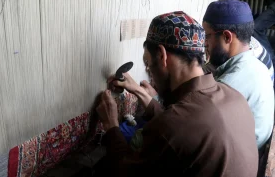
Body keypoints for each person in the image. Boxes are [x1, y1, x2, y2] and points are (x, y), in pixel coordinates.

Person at [96, 11, 258, 177]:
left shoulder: (173, 127)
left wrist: (111, 125)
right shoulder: (235, 97)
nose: (149, 71)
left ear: (162, 56)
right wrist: (139, 91)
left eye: (148, 63)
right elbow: (186, 123)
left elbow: (123, 172)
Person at [202, 0, 274, 150]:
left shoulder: (231, 84)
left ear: (227, 37)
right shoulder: (255, 63)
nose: (204, 43)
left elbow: (195, 123)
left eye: (207, 35)